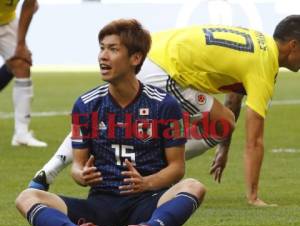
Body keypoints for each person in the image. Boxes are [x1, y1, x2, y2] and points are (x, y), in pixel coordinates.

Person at [29, 15, 300, 206]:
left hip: (159, 51)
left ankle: (47, 173)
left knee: (222, 122)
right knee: (108, 119)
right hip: (167, 69)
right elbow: (254, 141)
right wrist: (253, 196)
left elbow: (233, 99)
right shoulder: (265, 66)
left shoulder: (258, 43)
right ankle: (154, 174)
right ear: (293, 46)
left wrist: (223, 150)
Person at [16, 19, 206, 226]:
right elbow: (77, 165)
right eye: (102, 48)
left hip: (148, 202)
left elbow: (177, 167)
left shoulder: (165, 105)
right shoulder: (85, 105)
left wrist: (147, 182)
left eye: (113, 49)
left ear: (135, 58)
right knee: (27, 197)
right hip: (100, 206)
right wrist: (81, 174)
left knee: (195, 187)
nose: (103, 56)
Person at [0, 0, 47, 147]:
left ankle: (21, 134)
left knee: (21, 64)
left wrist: (21, 44)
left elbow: (30, 4)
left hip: (6, 21)